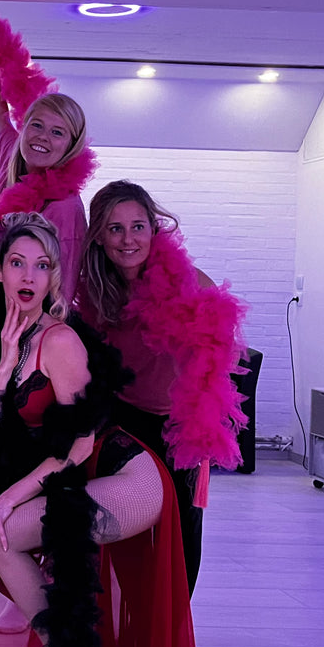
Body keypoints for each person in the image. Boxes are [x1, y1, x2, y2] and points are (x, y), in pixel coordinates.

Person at [0, 213, 201, 647]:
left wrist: (10, 496)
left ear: (54, 278)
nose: (29, 276)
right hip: (71, 475)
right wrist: (3, 367)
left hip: (126, 478)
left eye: (42, 265)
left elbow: (79, 443)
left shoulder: (59, 341)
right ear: (0, 273)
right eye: (18, 263)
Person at [77, 180, 245, 596]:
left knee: (181, 530)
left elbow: (221, 339)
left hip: (176, 424)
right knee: (119, 521)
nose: (128, 238)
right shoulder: (93, 287)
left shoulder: (183, 280)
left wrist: (202, 406)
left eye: (138, 226)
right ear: (98, 234)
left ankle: (170, 633)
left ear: (154, 229)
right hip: (119, 420)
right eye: (115, 228)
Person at [0, 83, 91, 303]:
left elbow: (59, 297)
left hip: (10, 324)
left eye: (57, 132)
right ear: (24, 128)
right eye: (37, 125)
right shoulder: (11, 158)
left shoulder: (64, 208)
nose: (43, 137)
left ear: (72, 145)